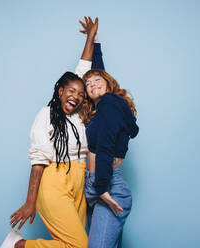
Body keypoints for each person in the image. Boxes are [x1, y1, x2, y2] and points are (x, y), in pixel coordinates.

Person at [0, 17, 100, 248]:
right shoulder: (46, 115)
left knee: (68, 243)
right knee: (80, 246)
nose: (76, 96)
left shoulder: (78, 114)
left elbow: (82, 70)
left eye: (81, 94)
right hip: (55, 180)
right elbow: (38, 161)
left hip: (80, 179)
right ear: (60, 90)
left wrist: (90, 39)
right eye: (71, 91)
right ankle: (19, 245)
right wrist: (30, 202)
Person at [80, 59, 139, 247]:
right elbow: (98, 74)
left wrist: (102, 188)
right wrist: (94, 41)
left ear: (108, 83)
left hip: (107, 186)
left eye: (97, 80)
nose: (92, 85)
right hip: (96, 184)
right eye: (87, 84)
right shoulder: (103, 109)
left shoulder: (108, 102)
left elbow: (105, 145)